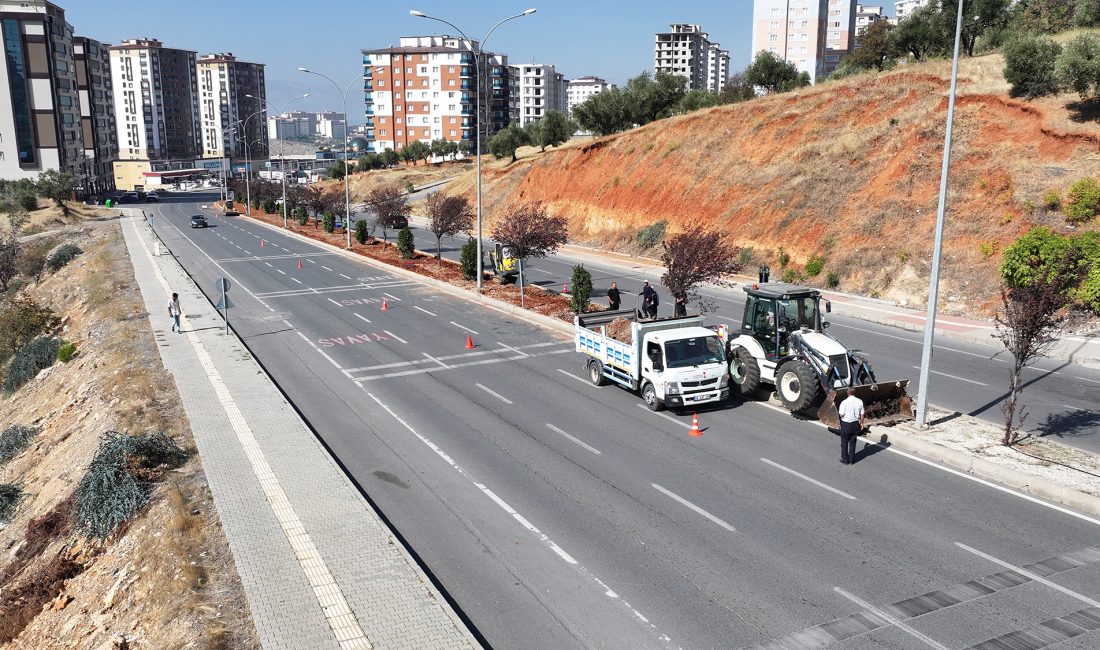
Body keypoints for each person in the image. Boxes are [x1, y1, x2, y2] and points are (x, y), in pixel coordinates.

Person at [838, 387, 865, 465]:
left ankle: (845, 459)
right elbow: (862, 414)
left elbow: (841, 414)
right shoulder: (860, 401)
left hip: (846, 424)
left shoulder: (844, 402)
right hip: (855, 424)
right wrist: (862, 423)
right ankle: (851, 460)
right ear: (854, 393)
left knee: (844, 443)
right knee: (853, 443)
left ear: (848, 393)